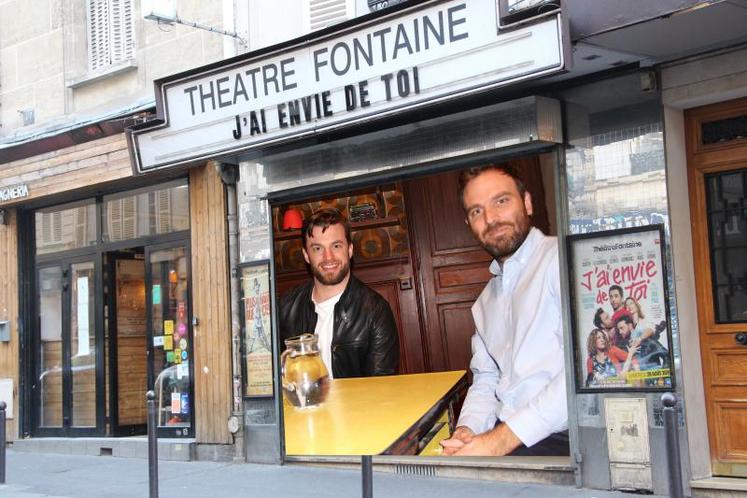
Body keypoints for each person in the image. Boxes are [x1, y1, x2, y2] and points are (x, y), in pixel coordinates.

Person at [440, 164, 568, 457]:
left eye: (501, 201)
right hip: (507, 434)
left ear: (527, 203)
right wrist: (467, 431)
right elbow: (486, 379)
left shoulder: (562, 260)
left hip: (564, 440)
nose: (491, 219)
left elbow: (584, 373)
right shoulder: (485, 301)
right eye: (476, 211)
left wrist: (497, 443)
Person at [278, 208, 399, 378]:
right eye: (317, 248)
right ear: (306, 255)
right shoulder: (285, 308)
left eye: (336, 246)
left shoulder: (376, 311)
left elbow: (379, 388)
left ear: (350, 250)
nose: (328, 258)